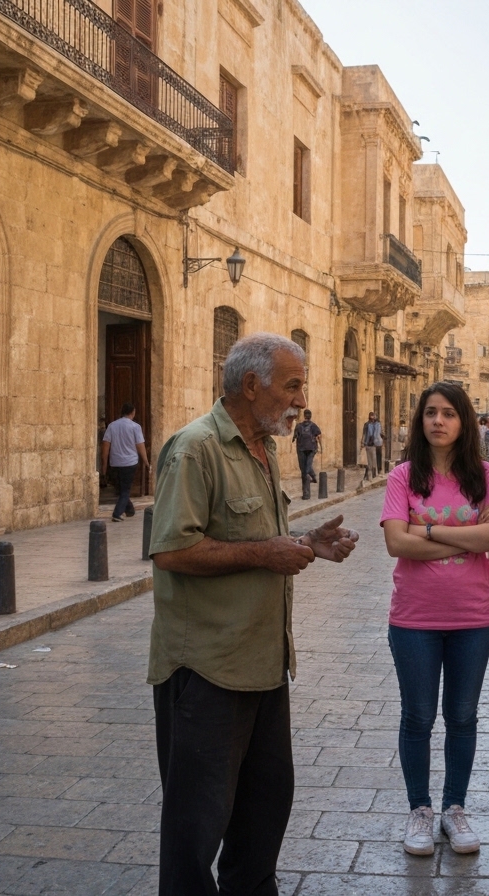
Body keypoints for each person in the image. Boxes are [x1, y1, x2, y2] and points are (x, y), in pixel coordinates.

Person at [147, 333, 359, 896]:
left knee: (263, 818)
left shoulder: (262, 449)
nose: (301, 399)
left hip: (265, 668)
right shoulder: (195, 449)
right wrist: (266, 553)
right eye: (292, 385)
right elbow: (171, 549)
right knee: (195, 832)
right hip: (207, 671)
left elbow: (253, 538)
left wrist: (305, 542)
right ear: (250, 385)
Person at [381, 381, 489, 857]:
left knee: (462, 716)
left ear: (464, 422)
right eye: (431, 413)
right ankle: (420, 809)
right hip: (413, 617)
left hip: (473, 616)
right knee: (417, 716)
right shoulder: (403, 477)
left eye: (449, 413)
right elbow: (397, 543)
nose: (438, 421)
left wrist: (429, 529)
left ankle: (454, 808)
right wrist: (466, 535)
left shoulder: (484, 475)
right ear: (421, 421)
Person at [101, 403, 149, 522]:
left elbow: (105, 446)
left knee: (122, 489)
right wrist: (146, 462)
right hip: (130, 463)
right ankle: (117, 513)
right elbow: (140, 446)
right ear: (133, 412)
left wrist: (104, 466)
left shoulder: (112, 426)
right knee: (125, 490)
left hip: (115, 463)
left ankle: (130, 510)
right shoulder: (135, 427)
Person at [292, 409, 322, 499]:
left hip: (303, 449)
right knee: (306, 470)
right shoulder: (313, 426)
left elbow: (294, 438)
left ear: (304, 416)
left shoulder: (299, 426)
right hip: (309, 449)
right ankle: (308, 490)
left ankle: (306, 493)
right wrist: (321, 447)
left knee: (305, 471)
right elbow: (319, 436)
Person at [362, 411, 383, 479]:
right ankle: (369, 475)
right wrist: (363, 443)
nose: (373, 418)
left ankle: (377, 472)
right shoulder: (367, 424)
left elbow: (379, 433)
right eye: (372, 416)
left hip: (377, 443)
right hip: (370, 444)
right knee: (370, 460)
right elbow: (364, 434)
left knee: (377, 458)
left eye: (374, 416)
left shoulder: (378, 424)